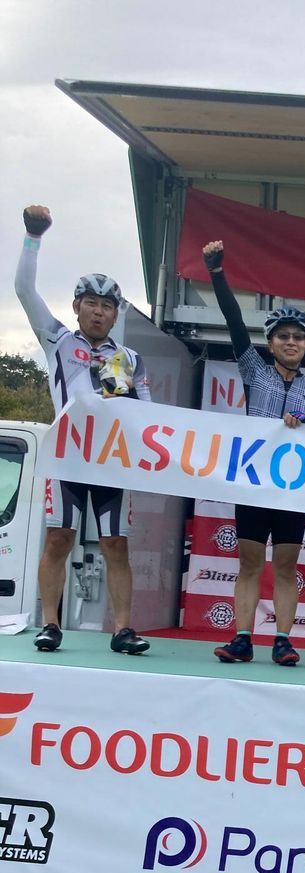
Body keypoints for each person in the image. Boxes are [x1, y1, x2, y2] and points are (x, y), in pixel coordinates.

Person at [15, 205, 151, 656]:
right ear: (76, 307)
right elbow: (24, 290)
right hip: (67, 458)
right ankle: (50, 624)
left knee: (115, 544)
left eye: (107, 305)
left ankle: (123, 630)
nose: (98, 311)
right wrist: (33, 236)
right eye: (91, 303)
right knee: (59, 538)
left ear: (115, 314)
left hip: (111, 462)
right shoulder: (57, 339)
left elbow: (148, 415)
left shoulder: (129, 359)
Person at [202, 240, 305, 666]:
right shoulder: (255, 372)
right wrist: (217, 273)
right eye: (283, 336)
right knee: (249, 564)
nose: (291, 342)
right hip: (253, 484)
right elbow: (234, 322)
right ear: (270, 342)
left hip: (292, 491)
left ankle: (283, 640)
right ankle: (242, 639)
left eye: (298, 337)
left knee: (284, 565)